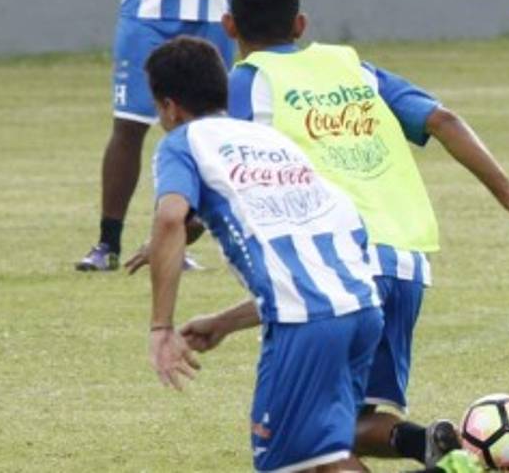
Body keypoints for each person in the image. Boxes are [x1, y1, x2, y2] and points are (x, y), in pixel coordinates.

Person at [220, 0, 509, 470]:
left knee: (307, 441)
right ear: (300, 24)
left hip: (336, 263)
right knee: (349, 421)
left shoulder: (246, 84)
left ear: (229, 26)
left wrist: (180, 228)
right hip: (405, 262)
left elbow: (215, 162)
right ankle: (428, 445)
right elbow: (442, 119)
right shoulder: (353, 69)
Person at [52, 0, 309, 271]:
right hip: (148, 4)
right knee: (130, 123)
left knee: (208, 130)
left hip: (215, 3)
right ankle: (107, 244)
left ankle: (177, 241)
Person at [143, 36, 381, 472]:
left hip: (307, 326)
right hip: (362, 309)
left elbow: (171, 218)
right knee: (325, 455)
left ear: (170, 107)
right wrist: (224, 322)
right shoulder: (273, 141)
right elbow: (314, 269)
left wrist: (161, 327)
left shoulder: (183, 144)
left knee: (289, 462)